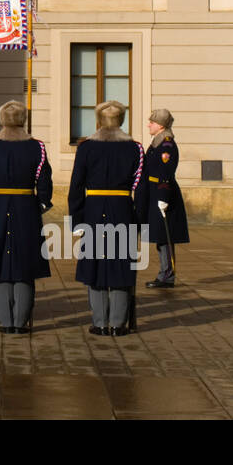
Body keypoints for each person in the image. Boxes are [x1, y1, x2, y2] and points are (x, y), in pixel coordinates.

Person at [68, 100, 144, 336]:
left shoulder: (86, 147)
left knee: (96, 266)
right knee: (121, 266)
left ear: (99, 121)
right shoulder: (135, 148)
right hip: (122, 209)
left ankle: (100, 322)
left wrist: (77, 221)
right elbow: (140, 189)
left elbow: (76, 186)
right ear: (121, 121)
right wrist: (138, 221)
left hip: (93, 210)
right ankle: (118, 323)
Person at [0, 101, 52, 334]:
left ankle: (6, 321)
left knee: (1, 264)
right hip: (25, 206)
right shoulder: (36, 147)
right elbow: (44, 180)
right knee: (25, 265)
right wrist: (39, 203)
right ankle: (20, 322)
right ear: (23, 119)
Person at [136, 109, 189, 289]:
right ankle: (165, 273)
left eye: (152, 122)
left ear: (160, 125)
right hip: (154, 193)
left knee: (165, 236)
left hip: (161, 194)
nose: (149, 124)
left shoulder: (166, 145)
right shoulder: (157, 142)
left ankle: (167, 275)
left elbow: (166, 172)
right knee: (160, 237)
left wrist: (163, 197)